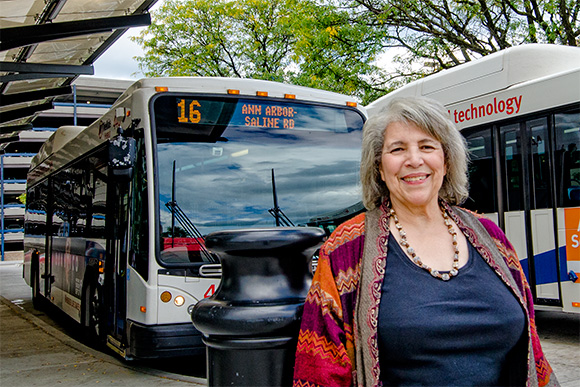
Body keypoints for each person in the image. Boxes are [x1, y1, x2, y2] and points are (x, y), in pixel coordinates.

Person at [293, 97, 558, 387]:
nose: (414, 160)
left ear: (446, 161)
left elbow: (533, 353)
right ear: (380, 168)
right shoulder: (346, 250)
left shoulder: (491, 236)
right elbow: (318, 369)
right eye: (397, 149)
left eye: (427, 146)